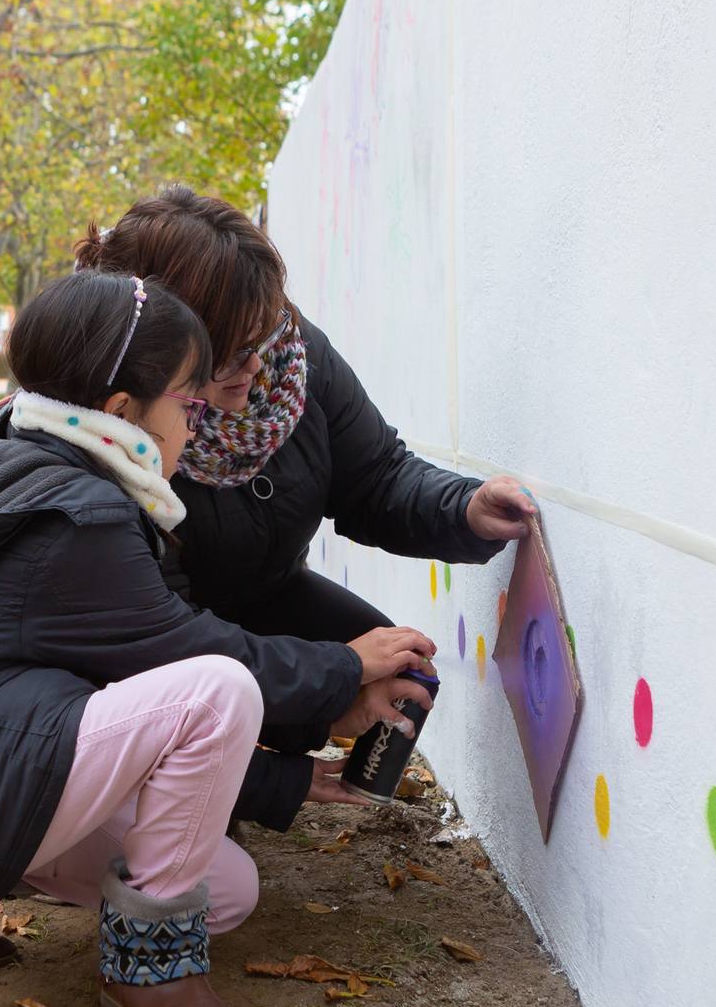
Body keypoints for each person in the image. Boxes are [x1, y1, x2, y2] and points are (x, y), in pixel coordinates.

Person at [0, 270, 436, 1007]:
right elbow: (198, 661)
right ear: (121, 413)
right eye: (187, 403)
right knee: (217, 685)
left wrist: (296, 781)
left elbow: (136, 715)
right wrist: (344, 666)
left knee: (228, 889)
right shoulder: (82, 513)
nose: (196, 423)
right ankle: (149, 970)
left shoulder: (26, 457)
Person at [69, 186, 535, 827]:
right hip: (138, 649)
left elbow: (375, 475)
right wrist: (330, 688)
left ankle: (234, 781)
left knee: (400, 669)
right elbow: (164, 650)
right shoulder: (108, 425)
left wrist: (466, 509)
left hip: (260, 595)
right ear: (162, 345)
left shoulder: (291, 355)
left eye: (266, 333)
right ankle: (163, 801)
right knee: (209, 814)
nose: (258, 367)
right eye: (233, 350)